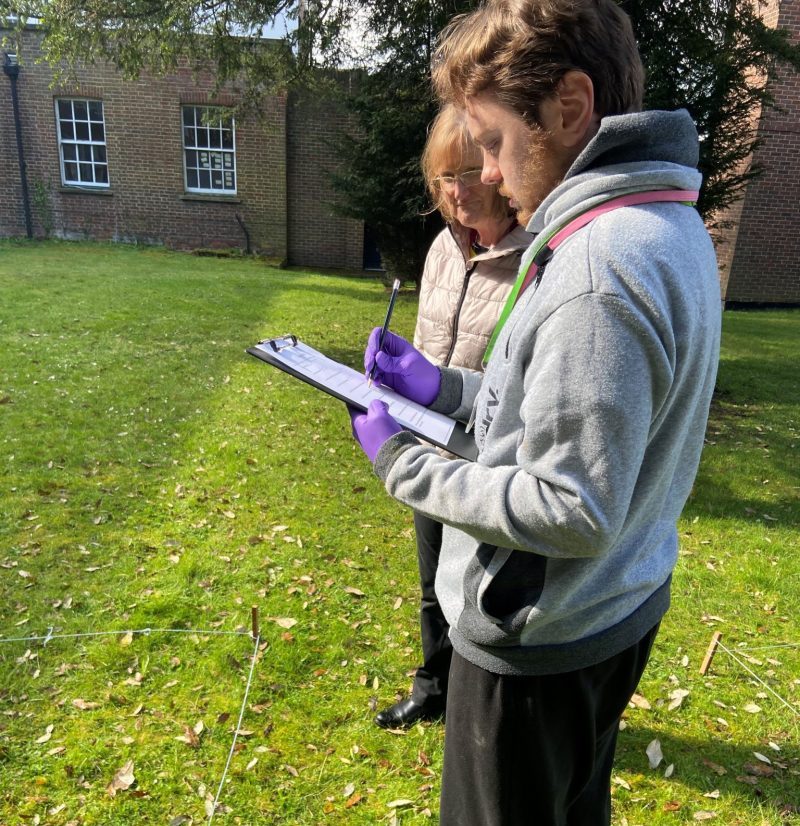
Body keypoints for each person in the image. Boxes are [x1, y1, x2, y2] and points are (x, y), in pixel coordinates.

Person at [349, 0, 722, 822]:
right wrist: (444, 388)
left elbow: (571, 505)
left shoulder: (598, 267)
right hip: (611, 610)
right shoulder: (665, 224)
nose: (484, 172)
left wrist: (401, 462)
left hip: (539, 647)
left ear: (569, 106)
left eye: (492, 141)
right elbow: (549, 408)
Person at [374, 104, 532, 730]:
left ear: (497, 168)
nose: (457, 191)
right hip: (427, 446)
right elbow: (429, 340)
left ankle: (478, 701)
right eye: (444, 178)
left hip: (488, 463)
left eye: (468, 172)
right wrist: (398, 374)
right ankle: (432, 687)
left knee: (480, 591)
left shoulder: (535, 259)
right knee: (431, 582)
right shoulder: (443, 246)